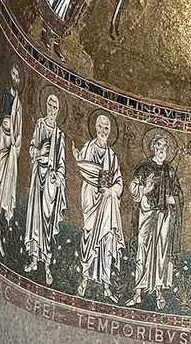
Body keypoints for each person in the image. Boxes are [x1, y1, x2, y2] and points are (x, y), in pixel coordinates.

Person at [127, 133, 184, 309]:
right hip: (147, 213)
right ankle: (138, 292)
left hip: (164, 216)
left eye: (165, 146)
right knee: (143, 249)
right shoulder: (144, 167)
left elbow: (179, 194)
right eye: (159, 145)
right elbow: (133, 187)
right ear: (153, 147)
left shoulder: (170, 170)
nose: (162, 149)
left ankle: (159, 291)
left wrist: (173, 199)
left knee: (161, 252)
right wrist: (145, 189)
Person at [73, 114, 125, 300]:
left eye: (107, 128)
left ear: (110, 131)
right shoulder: (88, 148)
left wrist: (110, 192)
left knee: (106, 241)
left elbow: (119, 181)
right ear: (95, 128)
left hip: (107, 204)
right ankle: (85, 279)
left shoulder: (112, 156)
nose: (103, 131)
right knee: (89, 236)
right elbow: (86, 171)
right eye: (101, 127)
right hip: (91, 201)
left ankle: (106, 286)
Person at [24, 94, 67, 285]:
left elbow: (62, 163)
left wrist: (58, 177)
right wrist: (39, 153)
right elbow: (32, 147)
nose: (51, 109)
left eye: (55, 106)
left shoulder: (59, 135)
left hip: (50, 183)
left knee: (47, 223)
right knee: (35, 219)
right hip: (37, 177)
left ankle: (47, 263)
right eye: (49, 105)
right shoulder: (40, 125)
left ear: (58, 111)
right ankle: (34, 260)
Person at [0, 65, 23, 257]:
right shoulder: (7, 95)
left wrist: (15, 141)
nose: (15, 78)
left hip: (12, 157)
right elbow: (4, 120)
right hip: (3, 148)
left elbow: (19, 133)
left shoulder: (19, 103)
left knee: (7, 193)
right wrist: (8, 134)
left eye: (18, 76)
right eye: (13, 74)